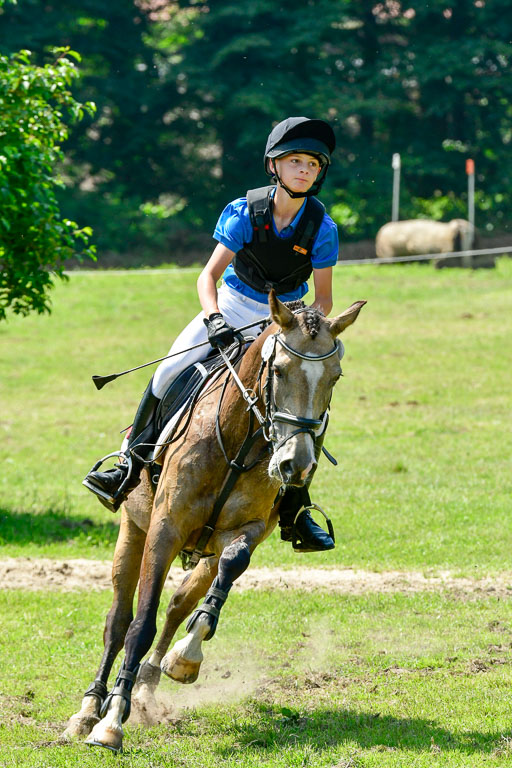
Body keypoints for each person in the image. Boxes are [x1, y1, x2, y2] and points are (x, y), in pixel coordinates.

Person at [83, 116, 339, 552]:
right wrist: (215, 318)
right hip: (232, 305)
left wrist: (301, 333)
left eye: (313, 165)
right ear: (273, 166)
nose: (304, 170)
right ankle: (128, 463)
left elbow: (325, 300)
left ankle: (296, 509)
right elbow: (207, 276)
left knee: (301, 400)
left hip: (285, 320)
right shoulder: (245, 213)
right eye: (294, 161)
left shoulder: (323, 228)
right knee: (168, 374)